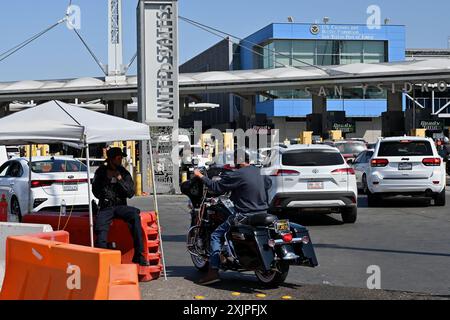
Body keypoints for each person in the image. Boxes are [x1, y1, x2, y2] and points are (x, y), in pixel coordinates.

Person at [193, 149, 272, 285]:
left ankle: (213, 272)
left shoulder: (238, 174)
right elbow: (268, 184)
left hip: (245, 214)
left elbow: (216, 187)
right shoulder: (260, 172)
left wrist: (200, 176)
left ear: (238, 160)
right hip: (263, 212)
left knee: (216, 235)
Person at [92, 147, 149, 266]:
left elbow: (130, 193)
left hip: (120, 205)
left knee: (134, 215)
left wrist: (120, 180)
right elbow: (95, 192)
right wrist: (106, 181)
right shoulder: (101, 172)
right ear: (111, 159)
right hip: (106, 206)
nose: (121, 160)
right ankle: (102, 258)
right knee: (100, 227)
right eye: (118, 158)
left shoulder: (124, 172)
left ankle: (139, 255)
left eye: (121, 158)